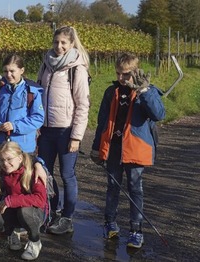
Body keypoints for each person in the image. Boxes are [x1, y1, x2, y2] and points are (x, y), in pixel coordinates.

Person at [91, 53, 165, 249]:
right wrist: (96, 147)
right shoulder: (111, 91)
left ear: (136, 72)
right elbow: (102, 121)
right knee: (112, 186)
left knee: (135, 189)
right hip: (114, 147)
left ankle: (136, 230)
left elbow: (158, 114)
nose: (121, 78)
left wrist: (145, 91)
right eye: (118, 73)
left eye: (125, 74)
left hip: (135, 148)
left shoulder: (146, 92)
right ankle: (110, 222)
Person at [37, 26, 91, 235]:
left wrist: (77, 136)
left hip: (66, 131)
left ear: (71, 44)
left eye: (63, 43)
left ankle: (67, 218)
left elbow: (82, 104)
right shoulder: (46, 64)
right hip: (46, 130)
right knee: (46, 174)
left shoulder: (76, 68)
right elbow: (38, 94)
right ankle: (51, 210)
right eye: (56, 42)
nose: (59, 47)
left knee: (67, 175)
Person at [0, 141, 48, 260]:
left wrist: (11, 200)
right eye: (1, 160)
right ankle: (12, 231)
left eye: (9, 159)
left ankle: (34, 241)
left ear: (20, 158)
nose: (5, 163)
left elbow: (40, 200)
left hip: (34, 212)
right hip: (13, 210)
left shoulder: (33, 172)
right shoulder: (1, 173)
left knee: (24, 212)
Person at [0, 54, 44, 154]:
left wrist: (15, 126)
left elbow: (37, 118)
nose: (8, 75)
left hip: (24, 148)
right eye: (5, 71)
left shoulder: (32, 92)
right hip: (2, 146)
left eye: (12, 71)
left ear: (21, 70)